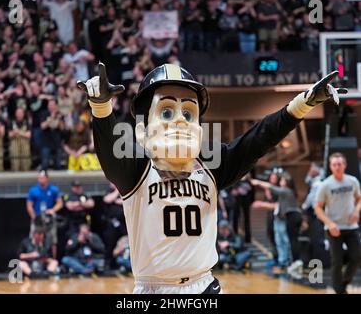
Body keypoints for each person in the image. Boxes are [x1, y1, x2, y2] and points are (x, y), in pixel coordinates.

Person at [77, 61, 345, 294]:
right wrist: (101, 107)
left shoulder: (212, 167)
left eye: (188, 113)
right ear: (144, 125)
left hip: (204, 286)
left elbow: (259, 138)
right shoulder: (135, 170)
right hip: (154, 289)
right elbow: (110, 149)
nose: (180, 121)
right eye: (167, 111)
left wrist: (303, 103)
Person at [315, 152, 361, 294]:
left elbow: (359, 199)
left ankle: (344, 282)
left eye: (339, 164)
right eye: (334, 164)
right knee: (337, 261)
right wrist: (329, 223)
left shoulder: (353, 181)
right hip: (334, 228)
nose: (337, 167)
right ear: (330, 166)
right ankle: (339, 290)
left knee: (356, 257)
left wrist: (356, 211)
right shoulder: (326, 185)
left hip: (351, 226)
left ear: (345, 165)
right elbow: (317, 208)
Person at [251, 172, 302, 273]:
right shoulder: (286, 192)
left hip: (292, 216)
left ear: (286, 182)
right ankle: (287, 262)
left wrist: (257, 182)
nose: (281, 181)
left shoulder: (286, 191)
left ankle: (293, 262)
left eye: (282, 180)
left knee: (290, 241)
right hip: (289, 216)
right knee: (286, 240)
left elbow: (271, 187)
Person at [26, 170, 63, 259]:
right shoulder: (33, 190)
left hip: (49, 219)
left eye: (42, 178)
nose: (40, 180)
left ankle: (53, 260)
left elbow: (60, 203)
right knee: (34, 239)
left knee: (53, 240)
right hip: (37, 218)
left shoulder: (53, 189)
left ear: (47, 178)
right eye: (39, 178)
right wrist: (34, 217)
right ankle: (33, 259)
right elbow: (29, 206)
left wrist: (52, 210)